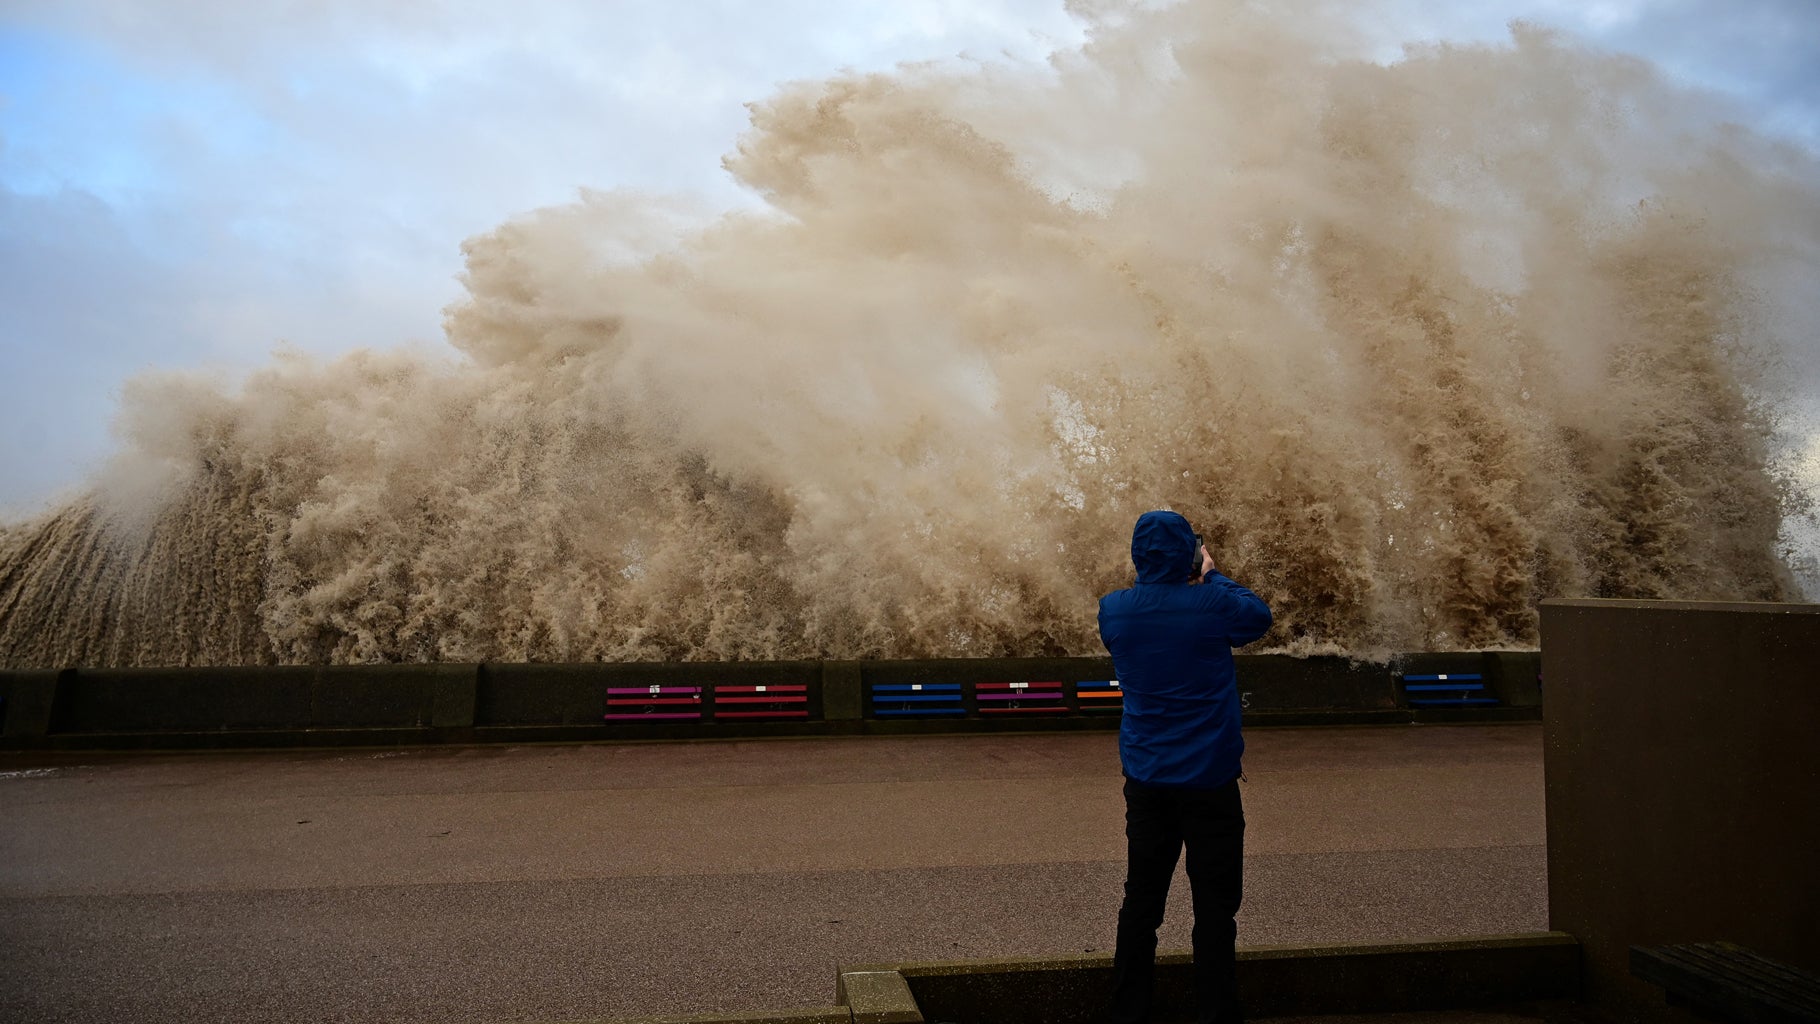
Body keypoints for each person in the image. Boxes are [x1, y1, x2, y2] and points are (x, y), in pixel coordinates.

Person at [1098, 509, 1273, 1024]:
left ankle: (1128, 1010)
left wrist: (1175, 576)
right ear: (1190, 553)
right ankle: (1215, 1012)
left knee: (1141, 902)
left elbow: (1151, 604)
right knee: (1215, 907)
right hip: (1211, 784)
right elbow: (1258, 616)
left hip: (1148, 782)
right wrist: (1213, 570)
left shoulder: (1115, 612)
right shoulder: (1215, 603)